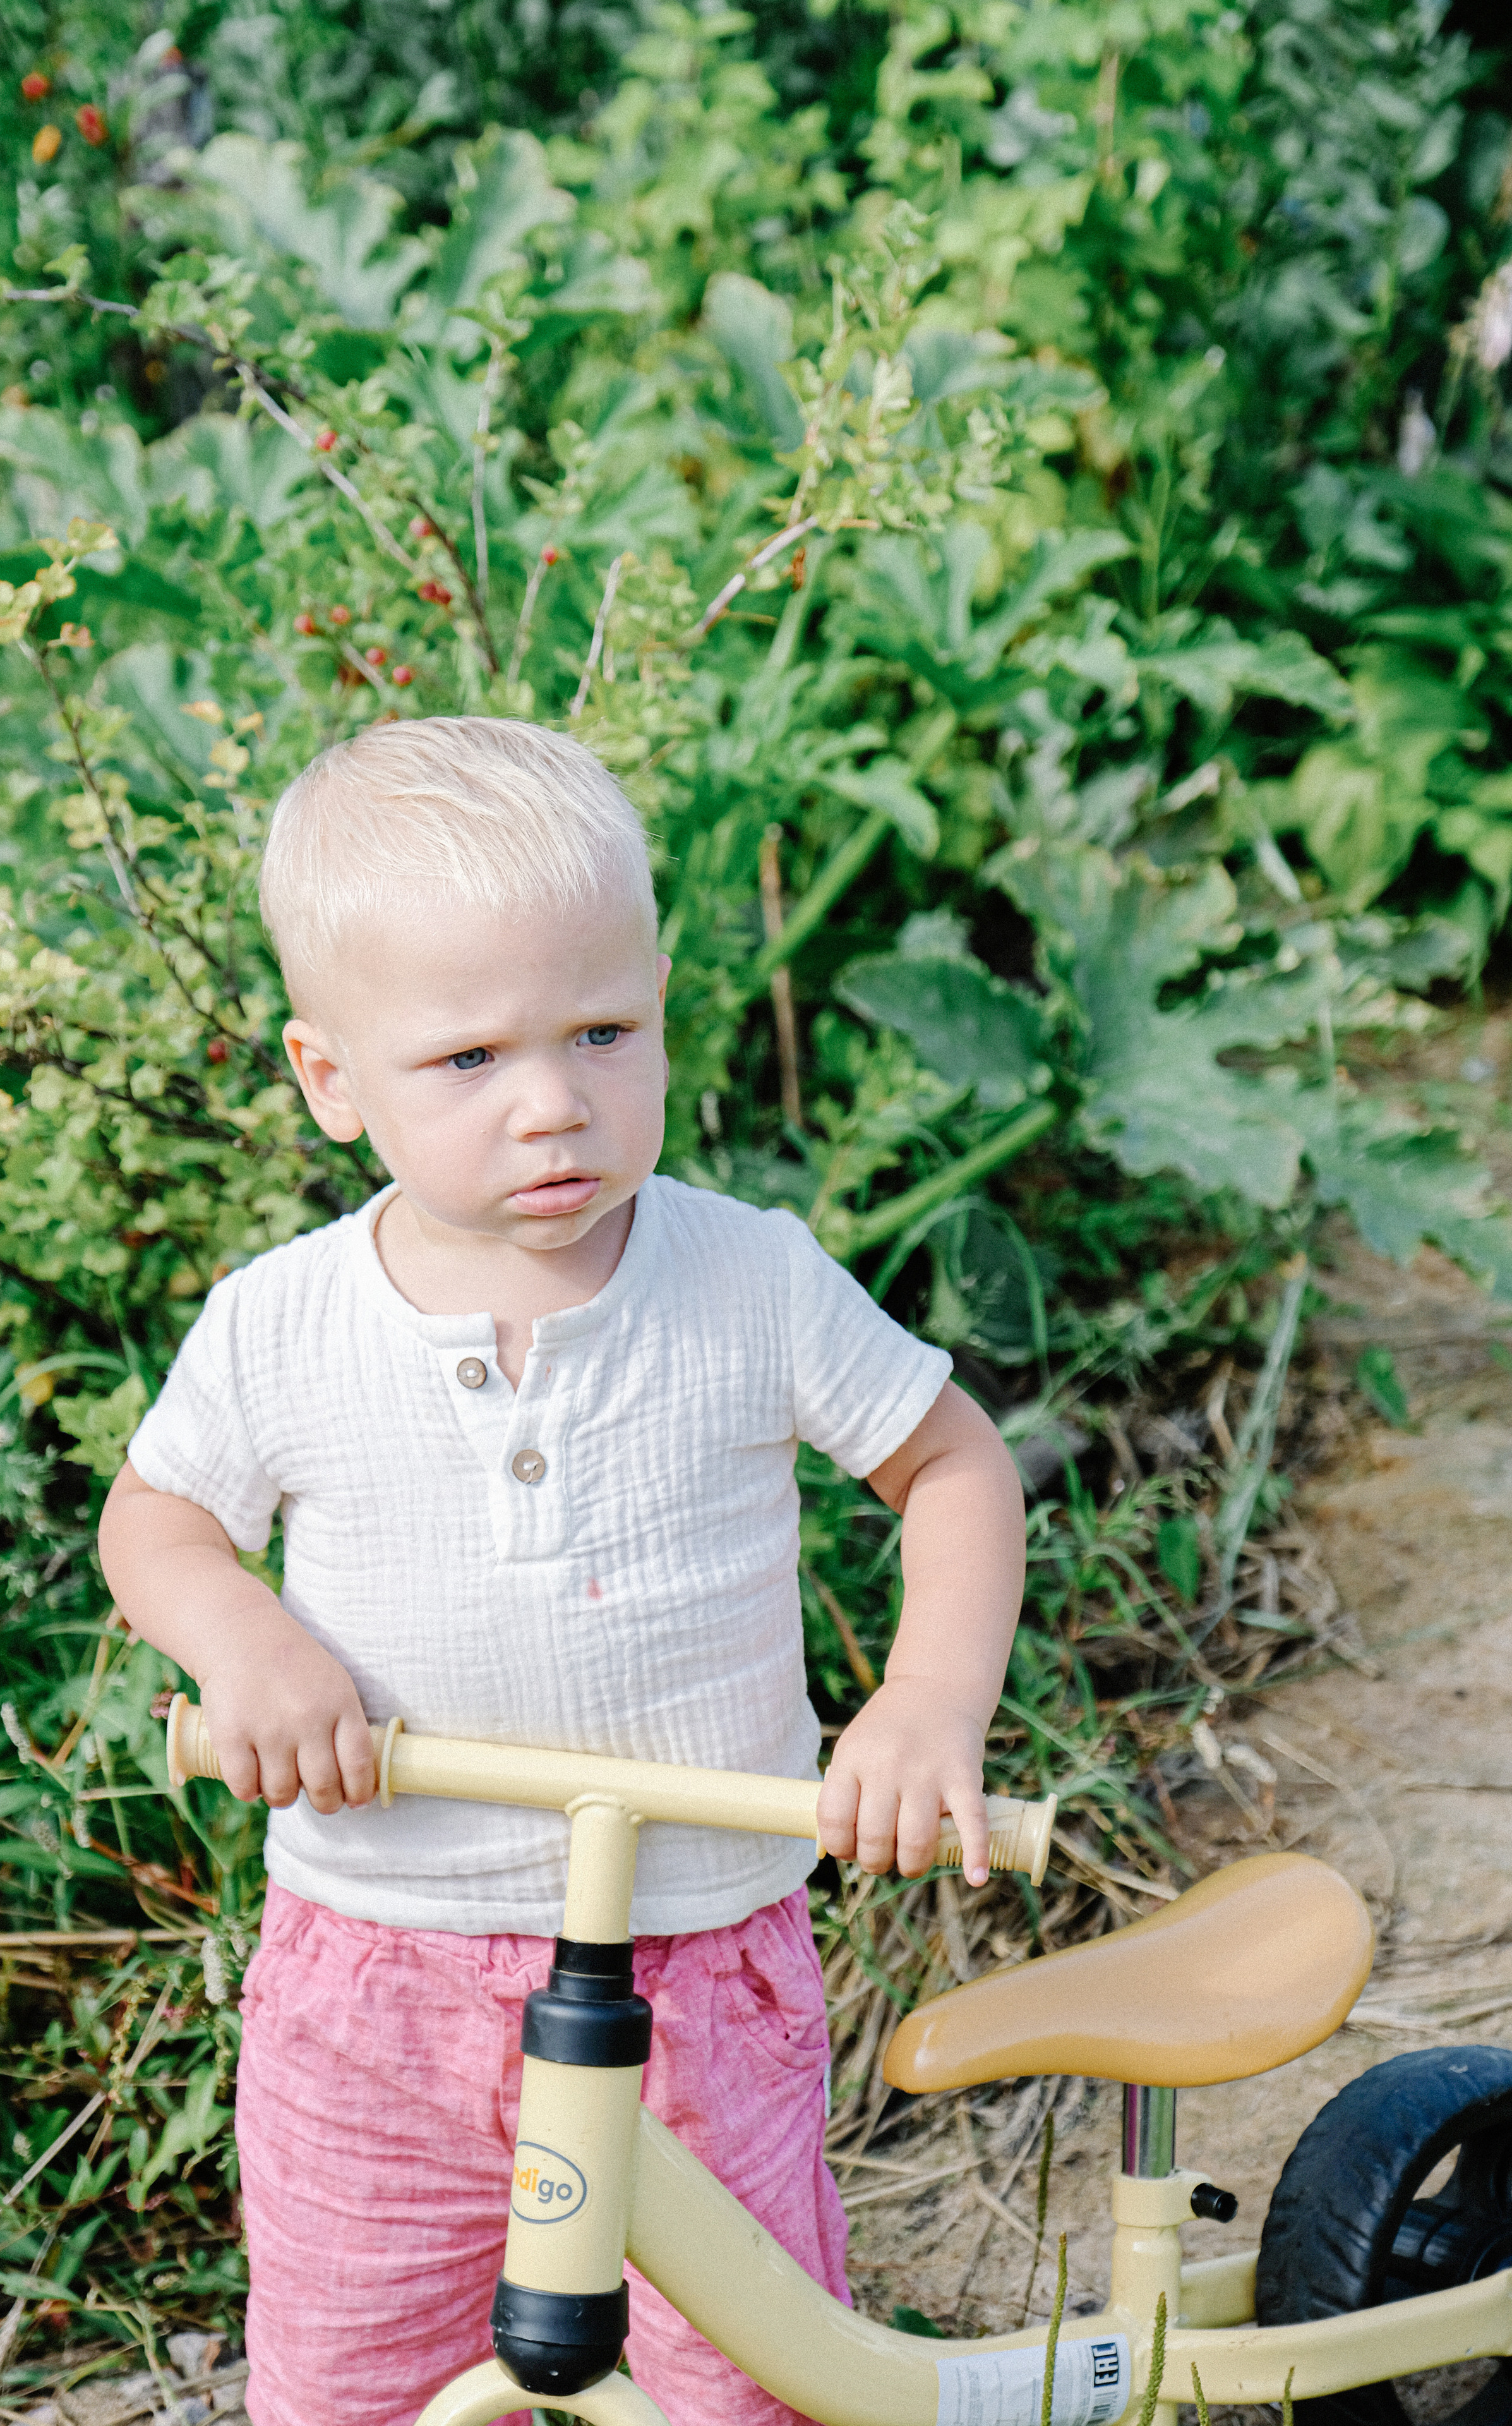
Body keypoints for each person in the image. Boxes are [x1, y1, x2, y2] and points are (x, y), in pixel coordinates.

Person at [97, 718, 1026, 2426]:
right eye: (469, 1060)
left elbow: (950, 1462)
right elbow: (154, 1521)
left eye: (604, 1031)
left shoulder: (747, 1283)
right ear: (331, 1079)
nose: (556, 1106)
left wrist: (925, 1700)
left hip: (695, 1961)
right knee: (357, 2375)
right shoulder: (286, 1324)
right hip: (376, 1966)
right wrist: (243, 1639)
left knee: (737, 2381)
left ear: (662, 999)